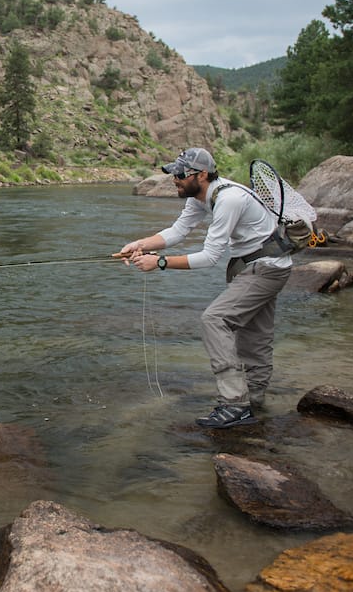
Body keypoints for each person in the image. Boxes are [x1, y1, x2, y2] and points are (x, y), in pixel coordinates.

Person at [114, 147, 292, 428]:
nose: (175, 179)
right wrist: (139, 245)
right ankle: (255, 401)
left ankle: (234, 404)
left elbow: (210, 257)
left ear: (202, 174)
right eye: (174, 173)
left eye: (180, 174)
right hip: (257, 266)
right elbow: (176, 232)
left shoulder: (229, 199)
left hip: (266, 268)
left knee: (214, 319)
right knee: (255, 336)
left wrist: (159, 263)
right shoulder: (200, 197)